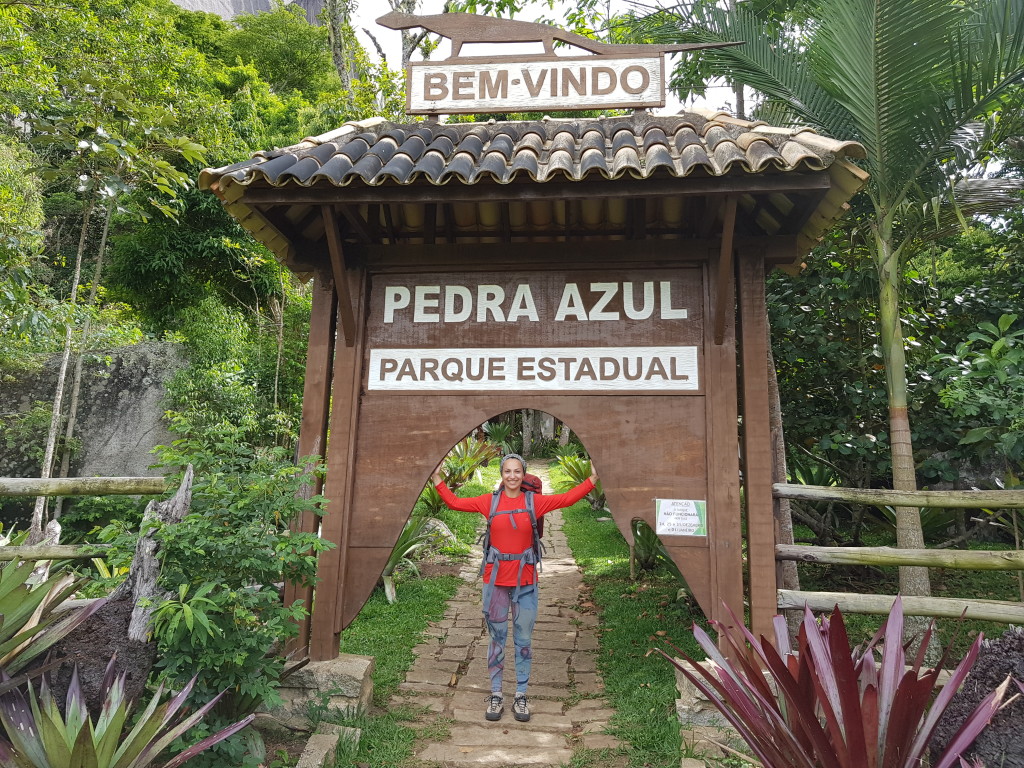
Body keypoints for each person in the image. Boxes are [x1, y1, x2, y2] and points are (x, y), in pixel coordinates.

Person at [430, 453, 599, 723]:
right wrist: (437, 477)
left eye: (517, 471)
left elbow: (566, 499)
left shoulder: (534, 502)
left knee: (524, 641)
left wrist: (593, 478)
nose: (512, 476)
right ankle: (496, 694)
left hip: (526, 582)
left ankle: (521, 695)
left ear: (524, 475)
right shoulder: (489, 501)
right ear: (501, 474)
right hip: (494, 580)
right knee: (496, 640)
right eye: (507, 471)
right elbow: (454, 503)